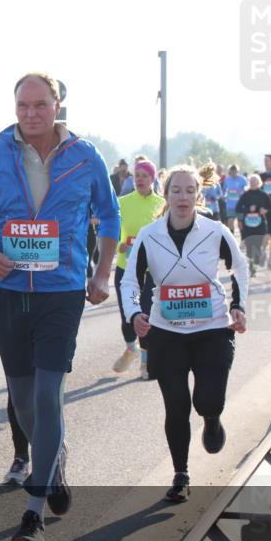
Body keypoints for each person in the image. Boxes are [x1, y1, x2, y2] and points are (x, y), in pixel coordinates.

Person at [0, 72, 120, 541]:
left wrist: (102, 274)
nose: (31, 113)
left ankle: (33, 511)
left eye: (40, 104)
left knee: (49, 395)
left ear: (57, 105)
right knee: (25, 403)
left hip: (61, 292)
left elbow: (109, 216)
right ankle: (55, 458)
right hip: (11, 293)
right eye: (23, 105)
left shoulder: (85, 156)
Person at [120, 165, 248, 502]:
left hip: (212, 328)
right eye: (176, 190)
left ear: (198, 195)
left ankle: (212, 418)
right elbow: (130, 281)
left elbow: (240, 267)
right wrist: (134, 313)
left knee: (207, 400)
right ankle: (181, 474)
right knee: (176, 406)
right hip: (166, 332)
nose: (183, 197)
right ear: (165, 194)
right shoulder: (149, 235)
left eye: (190, 191)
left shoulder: (216, 231)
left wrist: (239, 305)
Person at [112, 160, 163, 379]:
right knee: (127, 316)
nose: (140, 179)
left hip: (150, 271)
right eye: (137, 176)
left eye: (145, 176)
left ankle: (145, 362)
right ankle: (130, 348)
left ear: (152, 179)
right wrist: (119, 245)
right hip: (126, 267)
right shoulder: (122, 202)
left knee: (144, 315)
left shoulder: (161, 204)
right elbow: (111, 230)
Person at [238, 175, 271, 277]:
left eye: (255, 181)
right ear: (249, 183)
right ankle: (251, 267)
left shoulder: (263, 194)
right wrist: (248, 209)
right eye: (251, 181)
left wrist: (265, 210)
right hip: (248, 225)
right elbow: (238, 208)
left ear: (259, 182)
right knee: (249, 248)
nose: (253, 183)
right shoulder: (245, 195)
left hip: (260, 225)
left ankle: (254, 268)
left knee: (257, 247)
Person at [221, 164, 248, 234]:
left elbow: (247, 190)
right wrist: (224, 196)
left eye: (235, 171)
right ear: (230, 171)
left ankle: (243, 237)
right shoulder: (227, 179)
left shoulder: (242, 179)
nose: (233, 173)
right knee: (230, 222)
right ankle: (232, 238)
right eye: (232, 171)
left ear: (237, 171)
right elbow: (224, 190)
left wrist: (241, 192)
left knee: (240, 224)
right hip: (230, 205)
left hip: (240, 205)